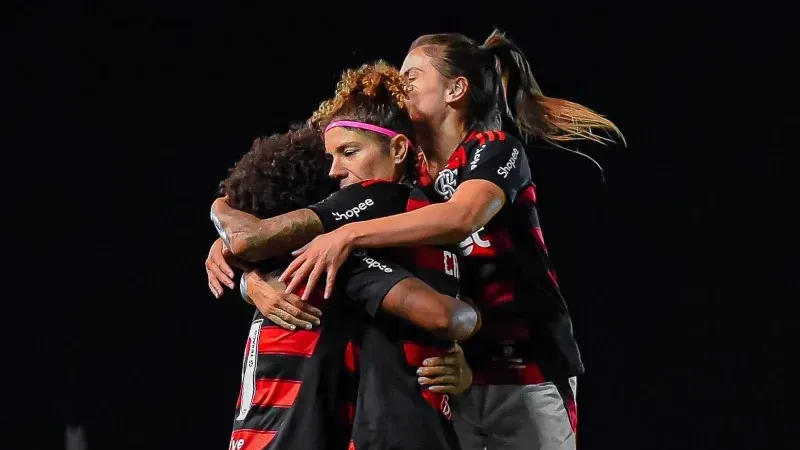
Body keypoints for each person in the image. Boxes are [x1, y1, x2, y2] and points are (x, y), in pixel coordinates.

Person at [273, 30, 625, 450]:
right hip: (455, 373)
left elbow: (462, 217)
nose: (400, 85)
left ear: (455, 89)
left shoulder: (495, 149)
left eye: (412, 76)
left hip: (528, 371)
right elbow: (287, 217)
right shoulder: (406, 171)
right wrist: (239, 260)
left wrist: (348, 234)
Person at [210, 61, 479, 449]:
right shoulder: (409, 224)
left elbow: (247, 239)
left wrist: (222, 206)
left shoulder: (377, 205)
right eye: (330, 159)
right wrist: (251, 279)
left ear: (399, 149)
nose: (335, 171)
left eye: (349, 152)